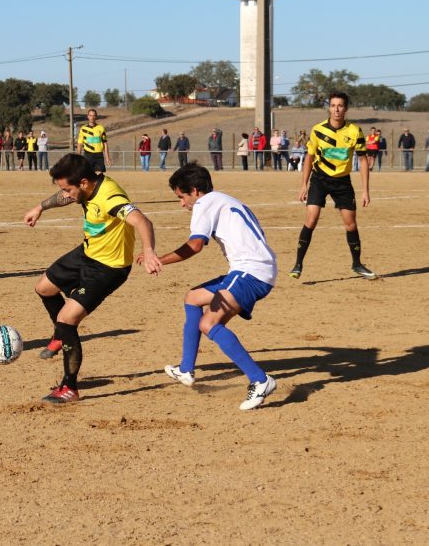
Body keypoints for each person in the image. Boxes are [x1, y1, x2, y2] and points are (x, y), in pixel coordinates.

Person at [23, 153, 161, 404]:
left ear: (84, 182)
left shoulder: (110, 197)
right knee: (43, 287)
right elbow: (64, 197)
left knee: (67, 319)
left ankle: (69, 387)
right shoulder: (86, 188)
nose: (65, 194)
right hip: (87, 252)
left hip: (108, 268)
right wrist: (40, 207)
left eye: (68, 188)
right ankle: (59, 336)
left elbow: (142, 220)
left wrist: (149, 251)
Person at [152, 163, 278, 410]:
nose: (182, 204)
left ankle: (260, 380)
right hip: (253, 269)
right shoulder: (224, 199)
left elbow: (195, 245)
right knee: (193, 297)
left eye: (181, 197)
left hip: (250, 272)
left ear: (195, 191)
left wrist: (159, 259)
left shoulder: (205, 202)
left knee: (209, 324)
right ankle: (186, 369)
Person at [290, 92, 376, 280]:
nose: (336, 109)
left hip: (342, 182)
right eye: (333, 105)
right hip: (319, 179)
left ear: (346, 109)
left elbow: (362, 160)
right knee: (311, 219)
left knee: (350, 224)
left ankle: (357, 264)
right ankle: (298, 264)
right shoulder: (318, 130)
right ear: (329, 108)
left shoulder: (355, 131)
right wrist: (304, 184)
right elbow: (309, 158)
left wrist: (365, 190)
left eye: (340, 106)